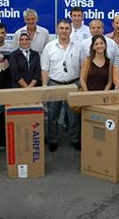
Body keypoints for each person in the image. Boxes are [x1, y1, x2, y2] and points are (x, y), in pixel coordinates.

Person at [41, 20, 81, 152]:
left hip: (73, 84)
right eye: (61, 28)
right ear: (57, 30)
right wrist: (45, 85)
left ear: (71, 30)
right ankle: (53, 140)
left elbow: (83, 66)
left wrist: (80, 85)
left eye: (67, 28)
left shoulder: (78, 46)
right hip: (54, 84)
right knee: (53, 116)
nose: (64, 30)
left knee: (73, 115)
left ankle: (75, 139)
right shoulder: (49, 47)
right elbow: (45, 68)